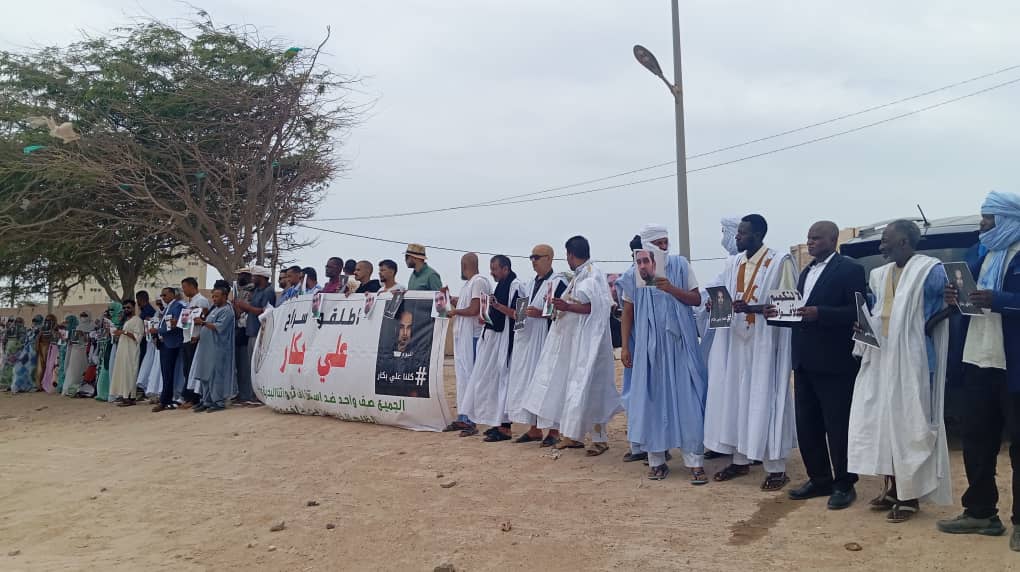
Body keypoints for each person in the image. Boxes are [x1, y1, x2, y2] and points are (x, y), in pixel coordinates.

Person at [848, 219, 951, 523]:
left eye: (886, 241)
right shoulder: (879, 275)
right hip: (882, 357)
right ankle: (893, 488)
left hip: (915, 359)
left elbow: (954, 302)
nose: (881, 246)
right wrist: (864, 327)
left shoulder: (930, 270)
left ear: (904, 242)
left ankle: (910, 497)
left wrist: (927, 326)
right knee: (884, 425)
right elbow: (879, 311)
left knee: (910, 427)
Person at [937, 192, 1020, 546]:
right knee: (976, 440)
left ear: (1008, 218)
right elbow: (965, 293)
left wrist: (998, 299)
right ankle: (981, 512)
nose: (982, 223)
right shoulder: (980, 252)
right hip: (977, 358)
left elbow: (1002, 300)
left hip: (1012, 365)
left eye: (989, 217)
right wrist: (954, 298)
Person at [704, 214, 798, 491]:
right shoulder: (734, 262)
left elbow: (790, 307)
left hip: (766, 343)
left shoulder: (779, 262)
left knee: (765, 399)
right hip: (736, 341)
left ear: (757, 235)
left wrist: (753, 309)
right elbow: (724, 297)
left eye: (742, 233)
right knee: (735, 398)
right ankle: (740, 459)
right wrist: (715, 305)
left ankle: (776, 468)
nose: (737, 237)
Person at [783, 221, 867, 510]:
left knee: (838, 426)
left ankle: (844, 483)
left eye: (816, 238)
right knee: (808, 424)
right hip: (804, 360)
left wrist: (820, 313)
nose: (810, 242)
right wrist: (775, 314)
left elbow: (857, 311)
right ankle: (819, 479)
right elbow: (800, 312)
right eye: (808, 238)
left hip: (835, 362)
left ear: (833, 240)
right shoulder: (806, 271)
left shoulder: (850, 269)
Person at [619, 223, 708, 482]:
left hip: (680, 346)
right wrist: (625, 346)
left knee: (689, 401)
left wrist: (670, 288)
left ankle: (695, 461)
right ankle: (656, 460)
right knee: (652, 401)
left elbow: (696, 299)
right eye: (658, 243)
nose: (664, 247)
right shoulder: (634, 272)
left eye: (665, 242)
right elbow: (628, 312)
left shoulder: (680, 265)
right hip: (650, 351)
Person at [523, 236, 621, 454]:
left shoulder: (592, 275)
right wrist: (560, 306)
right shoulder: (579, 275)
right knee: (571, 387)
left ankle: (599, 439)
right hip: (575, 343)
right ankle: (572, 436)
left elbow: (593, 307)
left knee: (592, 389)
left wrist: (566, 306)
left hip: (591, 345)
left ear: (570, 254)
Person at [505, 244, 569, 446]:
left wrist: (541, 313)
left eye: (537, 257)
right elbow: (519, 314)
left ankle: (554, 430)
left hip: (548, 338)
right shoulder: (528, 284)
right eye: (531, 257)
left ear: (548, 258)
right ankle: (534, 429)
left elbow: (564, 311)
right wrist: (510, 311)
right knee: (528, 382)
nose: (533, 261)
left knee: (549, 383)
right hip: (528, 340)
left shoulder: (558, 282)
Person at [459, 255, 520, 441]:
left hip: (506, 342)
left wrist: (498, 306)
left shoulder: (517, 286)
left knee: (503, 383)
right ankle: (497, 423)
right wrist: (486, 316)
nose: (492, 273)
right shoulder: (500, 286)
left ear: (505, 269)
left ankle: (505, 428)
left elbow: (521, 316)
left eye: (495, 269)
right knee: (492, 383)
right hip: (493, 340)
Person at [442, 253, 491, 434]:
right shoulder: (468, 285)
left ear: (464, 265)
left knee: (471, 378)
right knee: (463, 379)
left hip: (473, 338)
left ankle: (471, 420)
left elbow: (474, 309)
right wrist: (450, 299)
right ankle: (463, 417)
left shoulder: (478, 281)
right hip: (463, 338)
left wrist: (455, 312)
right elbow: (466, 305)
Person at [233, 265, 274, 407]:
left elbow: (265, 311)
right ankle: (252, 395)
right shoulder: (256, 290)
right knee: (252, 365)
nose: (252, 279)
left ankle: (260, 396)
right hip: (251, 331)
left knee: (258, 364)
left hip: (260, 332)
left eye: (254, 276)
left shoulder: (268, 291)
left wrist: (247, 307)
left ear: (261, 277)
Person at [192, 284, 236, 412]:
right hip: (206, 348)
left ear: (225, 296)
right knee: (205, 375)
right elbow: (208, 326)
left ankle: (218, 402)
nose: (214, 299)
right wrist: (198, 336)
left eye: (217, 296)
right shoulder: (214, 309)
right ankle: (206, 401)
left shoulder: (227, 311)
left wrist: (202, 322)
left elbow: (218, 327)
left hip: (217, 348)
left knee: (215, 376)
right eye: (213, 297)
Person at [180, 277, 210, 408]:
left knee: (193, 370)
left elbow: (204, 318)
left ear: (192, 286)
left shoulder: (201, 300)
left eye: (185, 287)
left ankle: (194, 398)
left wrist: (196, 314)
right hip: (186, 338)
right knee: (187, 370)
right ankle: (188, 396)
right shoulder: (189, 302)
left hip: (194, 338)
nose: (184, 290)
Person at [109, 299, 144, 406]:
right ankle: (124, 396)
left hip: (131, 351)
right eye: (124, 308)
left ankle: (130, 397)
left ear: (134, 308)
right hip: (123, 350)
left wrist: (123, 332)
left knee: (130, 373)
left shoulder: (137, 320)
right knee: (123, 373)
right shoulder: (126, 320)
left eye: (128, 307)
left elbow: (138, 336)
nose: (126, 309)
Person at [62, 312, 92, 397]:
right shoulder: (78, 327)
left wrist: (83, 335)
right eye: (82, 315)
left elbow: (90, 339)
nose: (83, 317)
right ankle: (69, 388)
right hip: (75, 350)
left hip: (86, 351)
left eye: (85, 315)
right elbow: (73, 339)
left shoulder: (92, 326)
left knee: (82, 369)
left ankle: (80, 388)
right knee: (72, 369)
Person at [38, 314, 58, 392]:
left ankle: (49, 384)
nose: (47, 322)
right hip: (42, 349)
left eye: (50, 320)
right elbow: (39, 339)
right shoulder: (43, 329)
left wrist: (53, 332)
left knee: (50, 367)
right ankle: (40, 384)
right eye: (46, 320)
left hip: (52, 350)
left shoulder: (56, 329)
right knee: (41, 367)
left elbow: (57, 339)